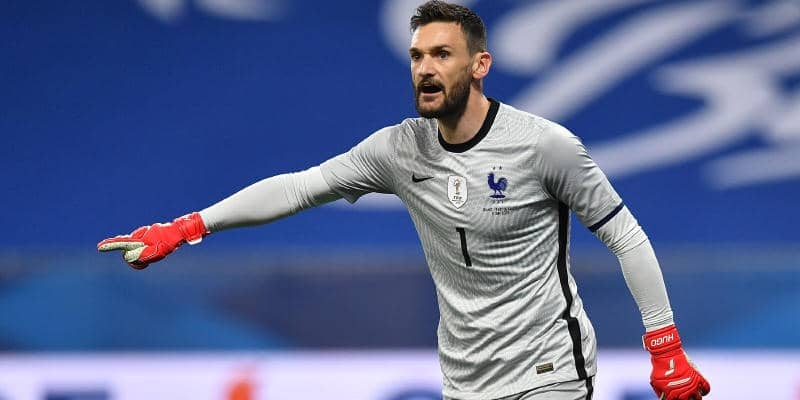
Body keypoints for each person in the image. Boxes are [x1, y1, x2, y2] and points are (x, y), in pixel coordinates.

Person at [98, 1, 710, 399]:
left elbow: (625, 236)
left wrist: (665, 346)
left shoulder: (544, 146)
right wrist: (187, 227)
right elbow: (299, 187)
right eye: (417, 55)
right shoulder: (398, 149)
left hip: (549, 373)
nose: (424, 68)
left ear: (480, 65)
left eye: (442, 54)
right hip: (465, 381)